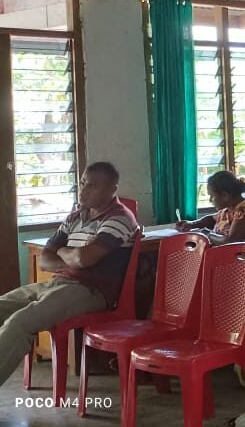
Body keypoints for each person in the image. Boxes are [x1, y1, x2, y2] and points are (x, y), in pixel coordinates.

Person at [0, 162, 138, 383]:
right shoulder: (75, 217)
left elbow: (84, 259)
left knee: (21, 322)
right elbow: (45, 260)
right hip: (59, 282)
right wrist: (71, 259)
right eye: (83, 183)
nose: (83, 190)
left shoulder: (119, 218)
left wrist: (63, 252)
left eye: (92, 186)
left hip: (91, 290)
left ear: (112, 189)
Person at [176, 171, 245, 245]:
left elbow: (230, 241)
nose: (210, 200)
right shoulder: (229, 209)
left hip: (244, 258)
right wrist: (191, 224)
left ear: (225, 195)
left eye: (212, 196)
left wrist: (205, 233)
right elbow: (211, 219)